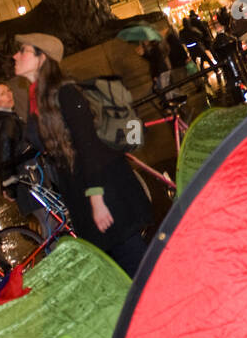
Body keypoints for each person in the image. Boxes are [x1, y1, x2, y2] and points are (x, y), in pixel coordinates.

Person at [12, 33, 151, 277]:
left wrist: (97, 201)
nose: (15, 55)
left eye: (23, 50)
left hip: (104, 192)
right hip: (81, 192)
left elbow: (88, 145)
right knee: (119, 273)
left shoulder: (66, 93)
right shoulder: (37, 98)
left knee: (136, 268)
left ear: (41, 58)